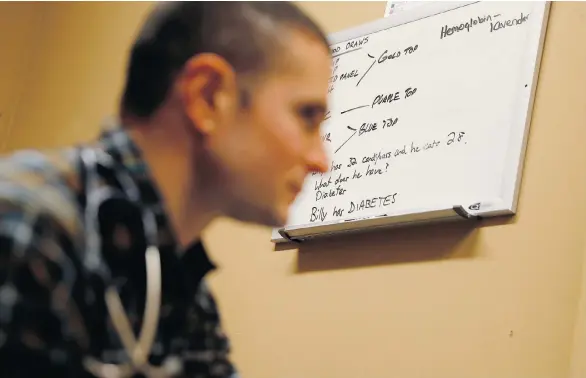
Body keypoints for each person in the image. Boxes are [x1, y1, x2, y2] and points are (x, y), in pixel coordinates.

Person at [0, 2, 330, 377]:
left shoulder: (182, 292)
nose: (322, 160)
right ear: (207, 96)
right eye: (306, 117)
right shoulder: (28, 227)